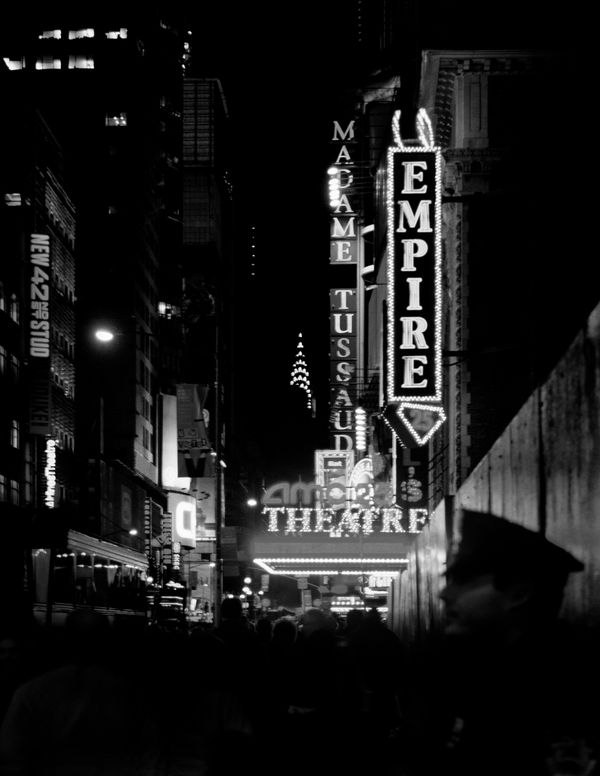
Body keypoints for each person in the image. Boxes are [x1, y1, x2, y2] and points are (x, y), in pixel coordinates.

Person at [400, 509, 595, 776]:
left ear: (519, 593)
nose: (445, 594)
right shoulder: (459, 670)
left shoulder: (570, 688)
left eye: (464, 581)